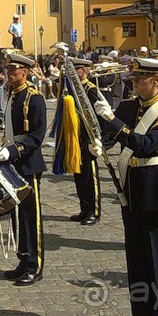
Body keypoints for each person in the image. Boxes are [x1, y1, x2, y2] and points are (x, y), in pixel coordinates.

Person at [91, 57, 158, 316]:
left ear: (157, 80)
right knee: (136, 259)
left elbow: (143, 144)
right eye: (133, 78)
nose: (134, 82)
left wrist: (111, 120)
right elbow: (111, 135)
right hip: (130, 186)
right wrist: (98, 143)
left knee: (154, 262)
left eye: (139, 78)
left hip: (155, 189)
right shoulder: (130, 106)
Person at [0, 52, 47, 286]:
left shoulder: (34, 98)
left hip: (28, 163)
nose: (9, 74)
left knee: (30, 218)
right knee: (17, 217)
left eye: (13, 71)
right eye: (8, 71)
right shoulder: (13, 95)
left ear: (25, 72)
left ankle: (35, 265)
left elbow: (37, 136)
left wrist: (13, 152)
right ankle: (23, 260)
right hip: (13, 162)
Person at [68, 57, 102, 226]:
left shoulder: (90, 89)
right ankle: (84, 208)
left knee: (91, 177)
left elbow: (99, 116)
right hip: (77, 136)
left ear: (84, 70)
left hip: (88, 137)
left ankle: (94, 211)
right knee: (79, 175)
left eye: (77, 70)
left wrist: (98, 139)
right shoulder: (74, 88)